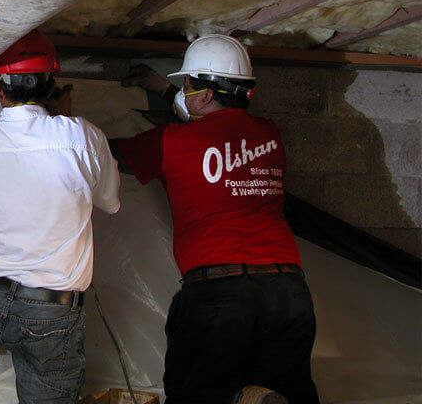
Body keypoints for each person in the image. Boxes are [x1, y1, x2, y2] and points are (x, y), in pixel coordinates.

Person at [110, 34, 319, 404]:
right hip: (288, 292)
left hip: (219, 297)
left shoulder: (171, 142)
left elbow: (96, 156)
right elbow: (211, 121)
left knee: (197, 395)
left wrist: (59, 121)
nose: (185, 91)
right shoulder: (271, 134)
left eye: (187, 85)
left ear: (204, 95)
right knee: (283, 392)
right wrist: (161, 88)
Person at [0, 30, 121, 404]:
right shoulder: (84, 137)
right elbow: (111, 202)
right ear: (50, 86)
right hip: (53, 317)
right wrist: (62, 119)